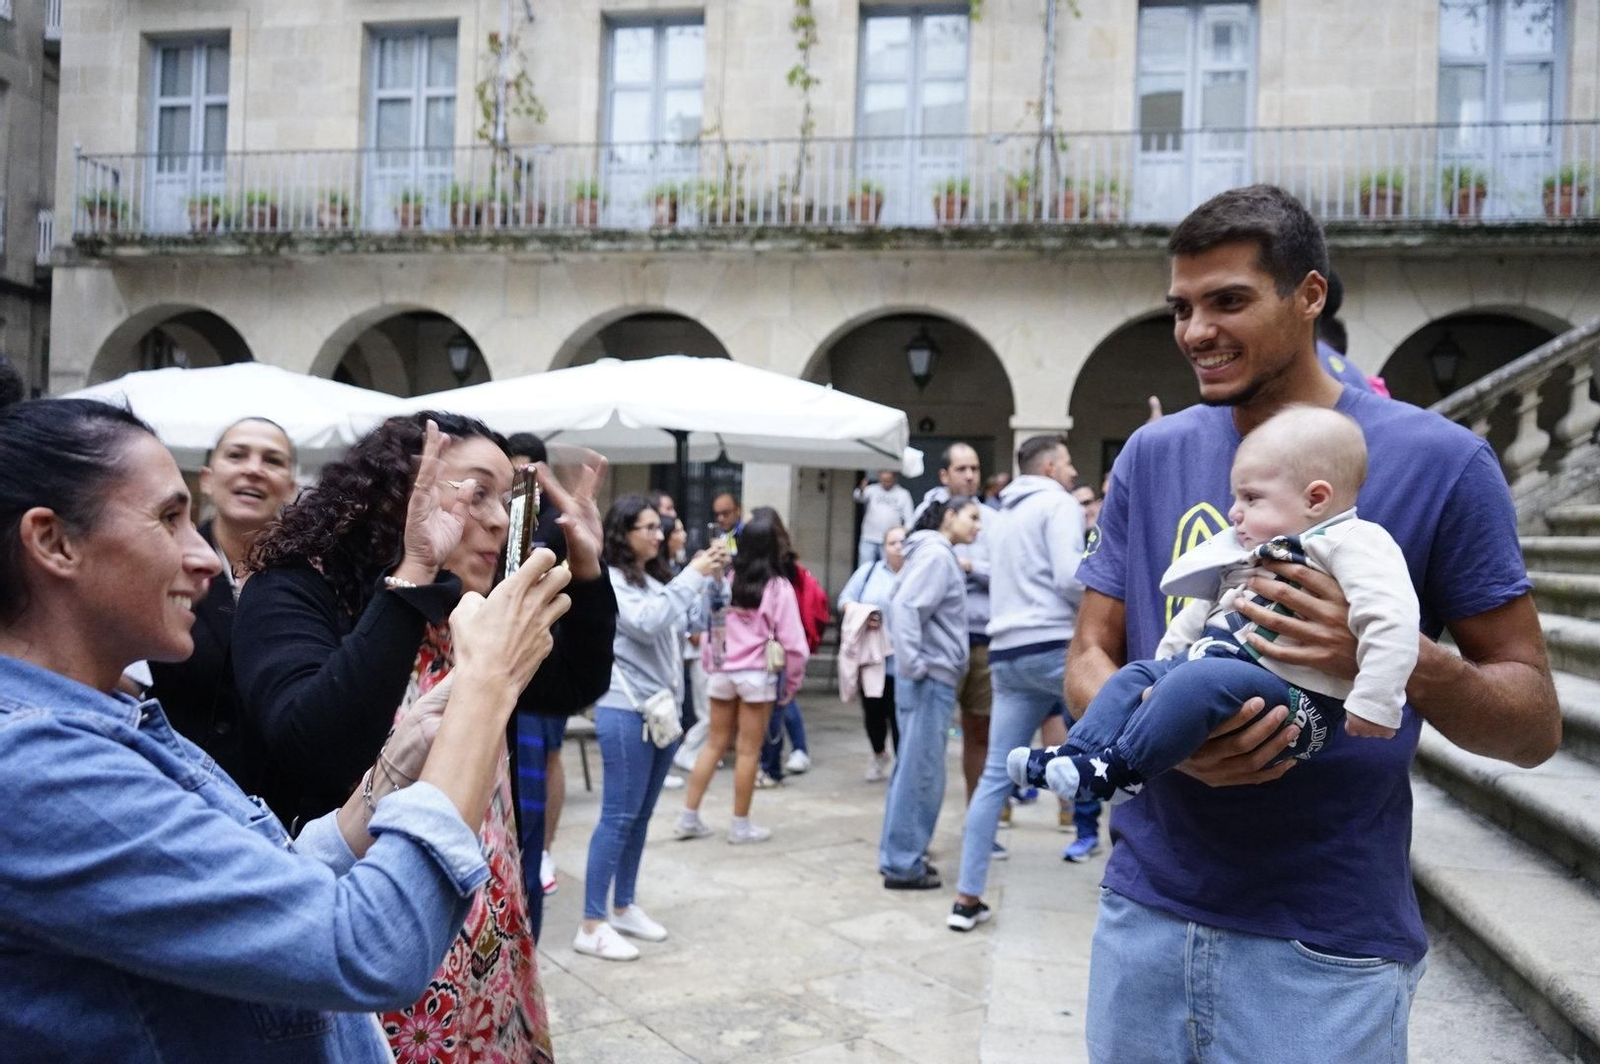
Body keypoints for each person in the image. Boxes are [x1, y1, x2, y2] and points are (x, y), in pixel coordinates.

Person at [1069, 184, 1558, 1063]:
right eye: (1181, 308)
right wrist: (1161, 735)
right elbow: (1090, 654)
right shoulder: (1153, 452)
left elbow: (1532, 727)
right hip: (1143, 917)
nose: (1195, 331)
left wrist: (1397, 658)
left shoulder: (1441, 462)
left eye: (1228, 301)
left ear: (1309, 296)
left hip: (1324, 948)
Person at [0, 397, 573, 1061]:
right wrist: (484, 687)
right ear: (54, 542)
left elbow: (271, 886)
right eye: (169, 519)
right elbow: (369, 948)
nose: (205, 558)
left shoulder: (110, 720)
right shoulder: (36, 765)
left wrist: (396, 764)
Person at [233, 411, 616, 1062]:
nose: (500, 521)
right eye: (478, 493)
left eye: (508, 499)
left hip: (484, 936)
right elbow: (314, 744)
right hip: (367, 946)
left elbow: (571, 684)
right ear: (400, 493)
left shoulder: (467, 607)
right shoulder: (296, 587)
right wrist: (412, 573)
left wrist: (586, 572)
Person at [1013, 406, 1418, 810]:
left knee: (1199, 681)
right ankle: (1080, 751)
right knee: (1134, 675)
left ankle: (1122, 772)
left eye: (1251, 498)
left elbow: (1391, 618)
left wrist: (1375, 702)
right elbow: (1202, 611)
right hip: (1221, 670)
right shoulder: (1255, 549)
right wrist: (1165, 665)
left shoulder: (1354, 541)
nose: (1233, 511)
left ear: (1315, 498)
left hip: (1299, 699)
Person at [576, 495, 726, 961]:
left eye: (660, 528)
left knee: (640, 817)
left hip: (661, 711)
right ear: (624, 533)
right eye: (649, 528)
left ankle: (623, 906)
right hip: (625, 709)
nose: (659, 535)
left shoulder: (656, 578)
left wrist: (707, 582)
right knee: (618, 816)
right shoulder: (610, 580)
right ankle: (591, 923)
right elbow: (646, 622)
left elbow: (685, 621)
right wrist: (693, 575)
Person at [946, 435, 1086, 931]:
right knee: (1129, 747)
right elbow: (1070, 578)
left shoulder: (999, 515)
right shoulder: (1059, 504)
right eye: (1067, 462)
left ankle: (966, 899)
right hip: (1054, 645)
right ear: (1048, 467)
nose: (1073, 471)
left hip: (1005, 651)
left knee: (992, 778)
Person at [143, 417, 298, 790]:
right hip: (177, 782)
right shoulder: (161, 565)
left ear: (291, 489)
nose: (253, 469)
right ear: (207, 480)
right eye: (237, 455)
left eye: (272, 460)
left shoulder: (316, 576)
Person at [675, 515, 808, 844]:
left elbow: (711, 626)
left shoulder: (725, 579)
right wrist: (790, 686)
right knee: (749, 752)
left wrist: (711, 664)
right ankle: (740, 825)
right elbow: (795, 646)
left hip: (723, 671)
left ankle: (688, 817)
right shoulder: (778, 587)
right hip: (757, 676)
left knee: (713, 745)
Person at [878, 495, 983, 890]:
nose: (978, 526)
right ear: (949, 516)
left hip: (929, 677)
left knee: (912, 770)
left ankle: (900, 857)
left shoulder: (931, 552)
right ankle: (903, 864)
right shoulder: (937, 554)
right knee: (920, 774)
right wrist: (915, 666)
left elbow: (899, 601)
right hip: (928, 679)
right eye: (973, 517)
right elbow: (905, 606)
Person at [507, 431, 572, 905]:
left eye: (525, 473)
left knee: (546, 756)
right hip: (518, 659)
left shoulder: (551, 523)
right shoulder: (509, 518)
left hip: (546, 660)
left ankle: (542, 851)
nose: (518, 483)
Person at [912, 443, 992, 804]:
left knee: (979, 729)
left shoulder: (992, 519)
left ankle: (977, 811)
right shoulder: (927, 514)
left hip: (981, 636)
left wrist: (973, 568)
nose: (970, 475)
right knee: (928, 733)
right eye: (962, 469)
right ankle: (920, 813)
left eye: (974, 468)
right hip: (939, 641)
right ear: (944, 474)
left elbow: (1006, 571)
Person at [752, 505, 829, 783]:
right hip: (776, 641)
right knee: (781, 700)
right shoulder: (768, 567)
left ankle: (784, 758)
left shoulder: (779, 575)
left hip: (780, 639)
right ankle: (790, 754)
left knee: (781, 700)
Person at [838, 524, 908, 781]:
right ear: (883, 548)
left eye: (903, 541)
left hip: (904, 659)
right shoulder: (869, 572)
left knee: (900, 716)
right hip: (873, 658)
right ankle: (879, 753)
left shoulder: (917, 574)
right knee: (874, 713)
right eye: (892, 543)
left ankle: (902, 767)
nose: (898, 547)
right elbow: (845, 600)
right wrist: (864, 615)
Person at [853, 469, 914, 568]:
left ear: (895, 479)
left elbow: (909, 519)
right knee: (865, 567)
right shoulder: (872, 489)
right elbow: (858, 497)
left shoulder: (903, 494)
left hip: (890, 540)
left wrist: (903, 537)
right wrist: (861, 489)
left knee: (889, 568)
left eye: (888, 480)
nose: (886, 483)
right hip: (869, 538)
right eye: (883, 480)